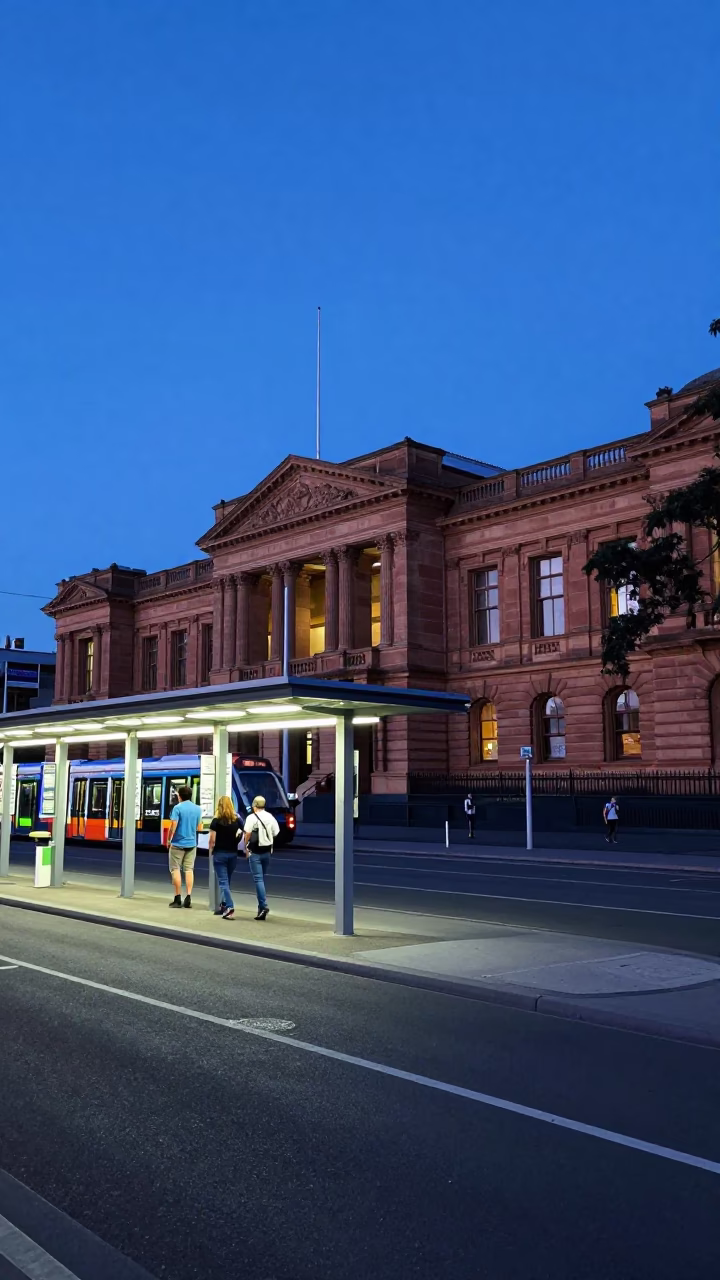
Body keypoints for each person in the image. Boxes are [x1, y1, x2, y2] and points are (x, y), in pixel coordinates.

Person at [243, 795, 280, 921]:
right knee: (262, 879)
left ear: (254, 806)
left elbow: (247, 833)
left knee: (258, 880)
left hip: (255, 852)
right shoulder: (270, 817)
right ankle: (260, 909)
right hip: (267, 851)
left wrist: (245, 847)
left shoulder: (251, 818)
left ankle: (263, 906)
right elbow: (276, 832)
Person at [168, 784, 203, 908]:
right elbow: (199, 827)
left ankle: (177, 899)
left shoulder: (177, 808)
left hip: (178, 843)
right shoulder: (198, 809)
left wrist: (168, 840)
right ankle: (188, 897)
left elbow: (173, 826)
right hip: (192, 844)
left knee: (175, 869)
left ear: (180, 796)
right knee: (189, 870)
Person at [209, 795, 243, 920]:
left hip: (220, 854)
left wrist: (211, 851)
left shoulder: (216, 821)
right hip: (233, 854)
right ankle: (223, 904)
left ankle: (229, 907)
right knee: (227, 881)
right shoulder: (237, 820)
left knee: (223, 882)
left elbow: (212, 840)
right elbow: (243, 831)